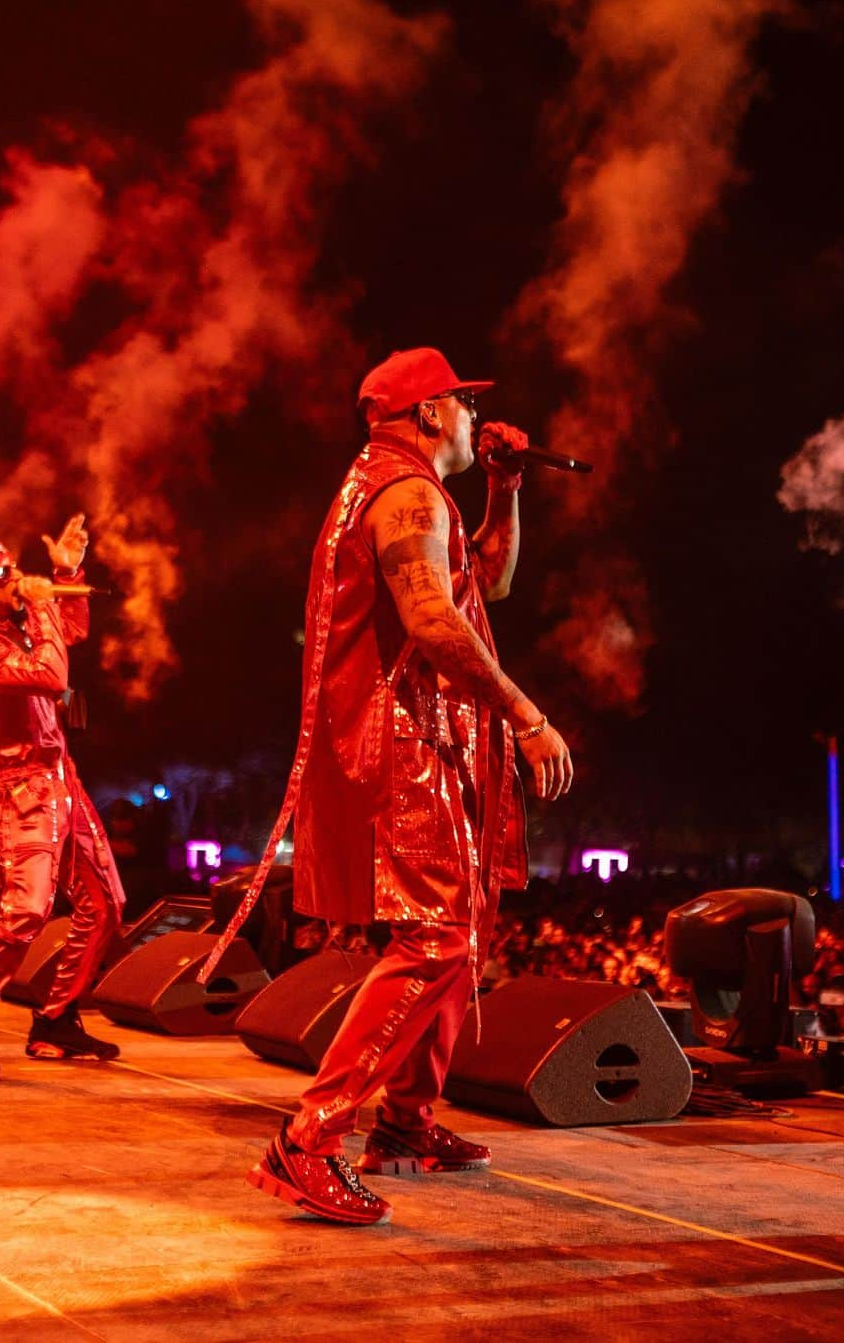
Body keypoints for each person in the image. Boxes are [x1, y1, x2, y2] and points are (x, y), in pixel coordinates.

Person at [230, 347, 574, 1225]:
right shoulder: (406, 492)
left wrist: (504, 490)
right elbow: (431, 619)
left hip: (425, 738)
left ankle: (410, 1123)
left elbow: (483, 584)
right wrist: (527, 714)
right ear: (428, 414)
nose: (472, 417)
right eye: (463, 404)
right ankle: (308, 1139)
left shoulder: (408, 489)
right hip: (407, 743)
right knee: (431, 941)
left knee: (459, 933)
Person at [0, 514, 125, 1080]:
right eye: (5, 573)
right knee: (24, 913)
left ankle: (56, 1020)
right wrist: (40, 605)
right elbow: (52, 673)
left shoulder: (8, 623)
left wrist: (66, 572)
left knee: (106, 903)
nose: (17, 579)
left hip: (61, 776)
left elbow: (73, 633)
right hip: (21, 791)